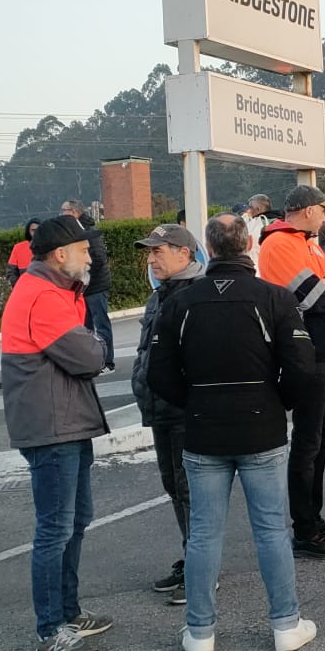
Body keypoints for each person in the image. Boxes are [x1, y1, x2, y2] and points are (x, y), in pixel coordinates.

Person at [148, 215, 320, 651]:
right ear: (247, 245)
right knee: (271, 530)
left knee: (204, 534)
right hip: (261, 427)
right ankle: (286, 624)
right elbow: (303, 367)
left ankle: (200, 632)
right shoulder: (274, 297)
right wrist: (276, 401)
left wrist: (195, 402)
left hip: (203, 428)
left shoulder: (180, 304)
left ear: (207, 248)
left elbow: (159, 374)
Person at [2, 215, 113, 651]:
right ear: (60, 254)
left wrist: (91, 342)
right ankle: (51, 632)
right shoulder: (43, 295)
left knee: (74, 519)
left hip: (64, 420)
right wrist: (96, 343)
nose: (91, 258)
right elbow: (89, 356)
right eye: (84, 250)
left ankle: (68, 613)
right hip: (53, 426)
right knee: (55, 528)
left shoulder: (53, 289)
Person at [259, 184, 325, 560]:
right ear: (307, 211)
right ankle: (304, 529)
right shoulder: (279, 244)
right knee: (308, 442)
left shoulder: (305, 243)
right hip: (307, 354)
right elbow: (317, 298)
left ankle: (313, 518)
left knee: (320, 440)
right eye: (323, 210)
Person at [130, 223, 206, 604]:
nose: (151, 259)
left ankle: (201, 570)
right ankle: (191, 555)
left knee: (190, 490)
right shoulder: (160, 296)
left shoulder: (197, 296)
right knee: (174, 486)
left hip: (184, 412)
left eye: (157, 251)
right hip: (160, 409)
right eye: (149, 251)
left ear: (184, 254)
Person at [60, 199, 114, 373]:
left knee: (101, 325)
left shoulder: (89, 231)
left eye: (64, 210)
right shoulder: (72, 231)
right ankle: (91, 363)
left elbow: (98, 258)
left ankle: (107, 362)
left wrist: (84, 277)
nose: (62, 213)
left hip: (95, 286)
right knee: (85, 328)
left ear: (75, 212)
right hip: (82, 287)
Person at [6, 219, 41, 287]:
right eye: (33, 230)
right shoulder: (18, 248)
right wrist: (18, 286)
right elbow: (11, 271)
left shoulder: (49, 247)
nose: (36, 232)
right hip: (25, 288)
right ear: (28, 231)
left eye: (38, 229)